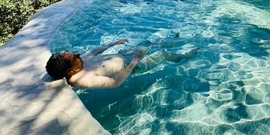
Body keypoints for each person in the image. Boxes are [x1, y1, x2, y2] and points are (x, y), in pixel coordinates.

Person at [45, 39, 198, 89]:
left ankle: (174, 43)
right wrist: (134, 62)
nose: (78, 55)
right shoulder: (81, 79)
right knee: (162, 55)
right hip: (132, 65)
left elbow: (96, 51)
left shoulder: (80, 62)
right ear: (70, 72)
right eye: (74, 58)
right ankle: (184, 56)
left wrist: (113, 43)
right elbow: (114, 83)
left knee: (148, 43)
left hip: (123, 54)